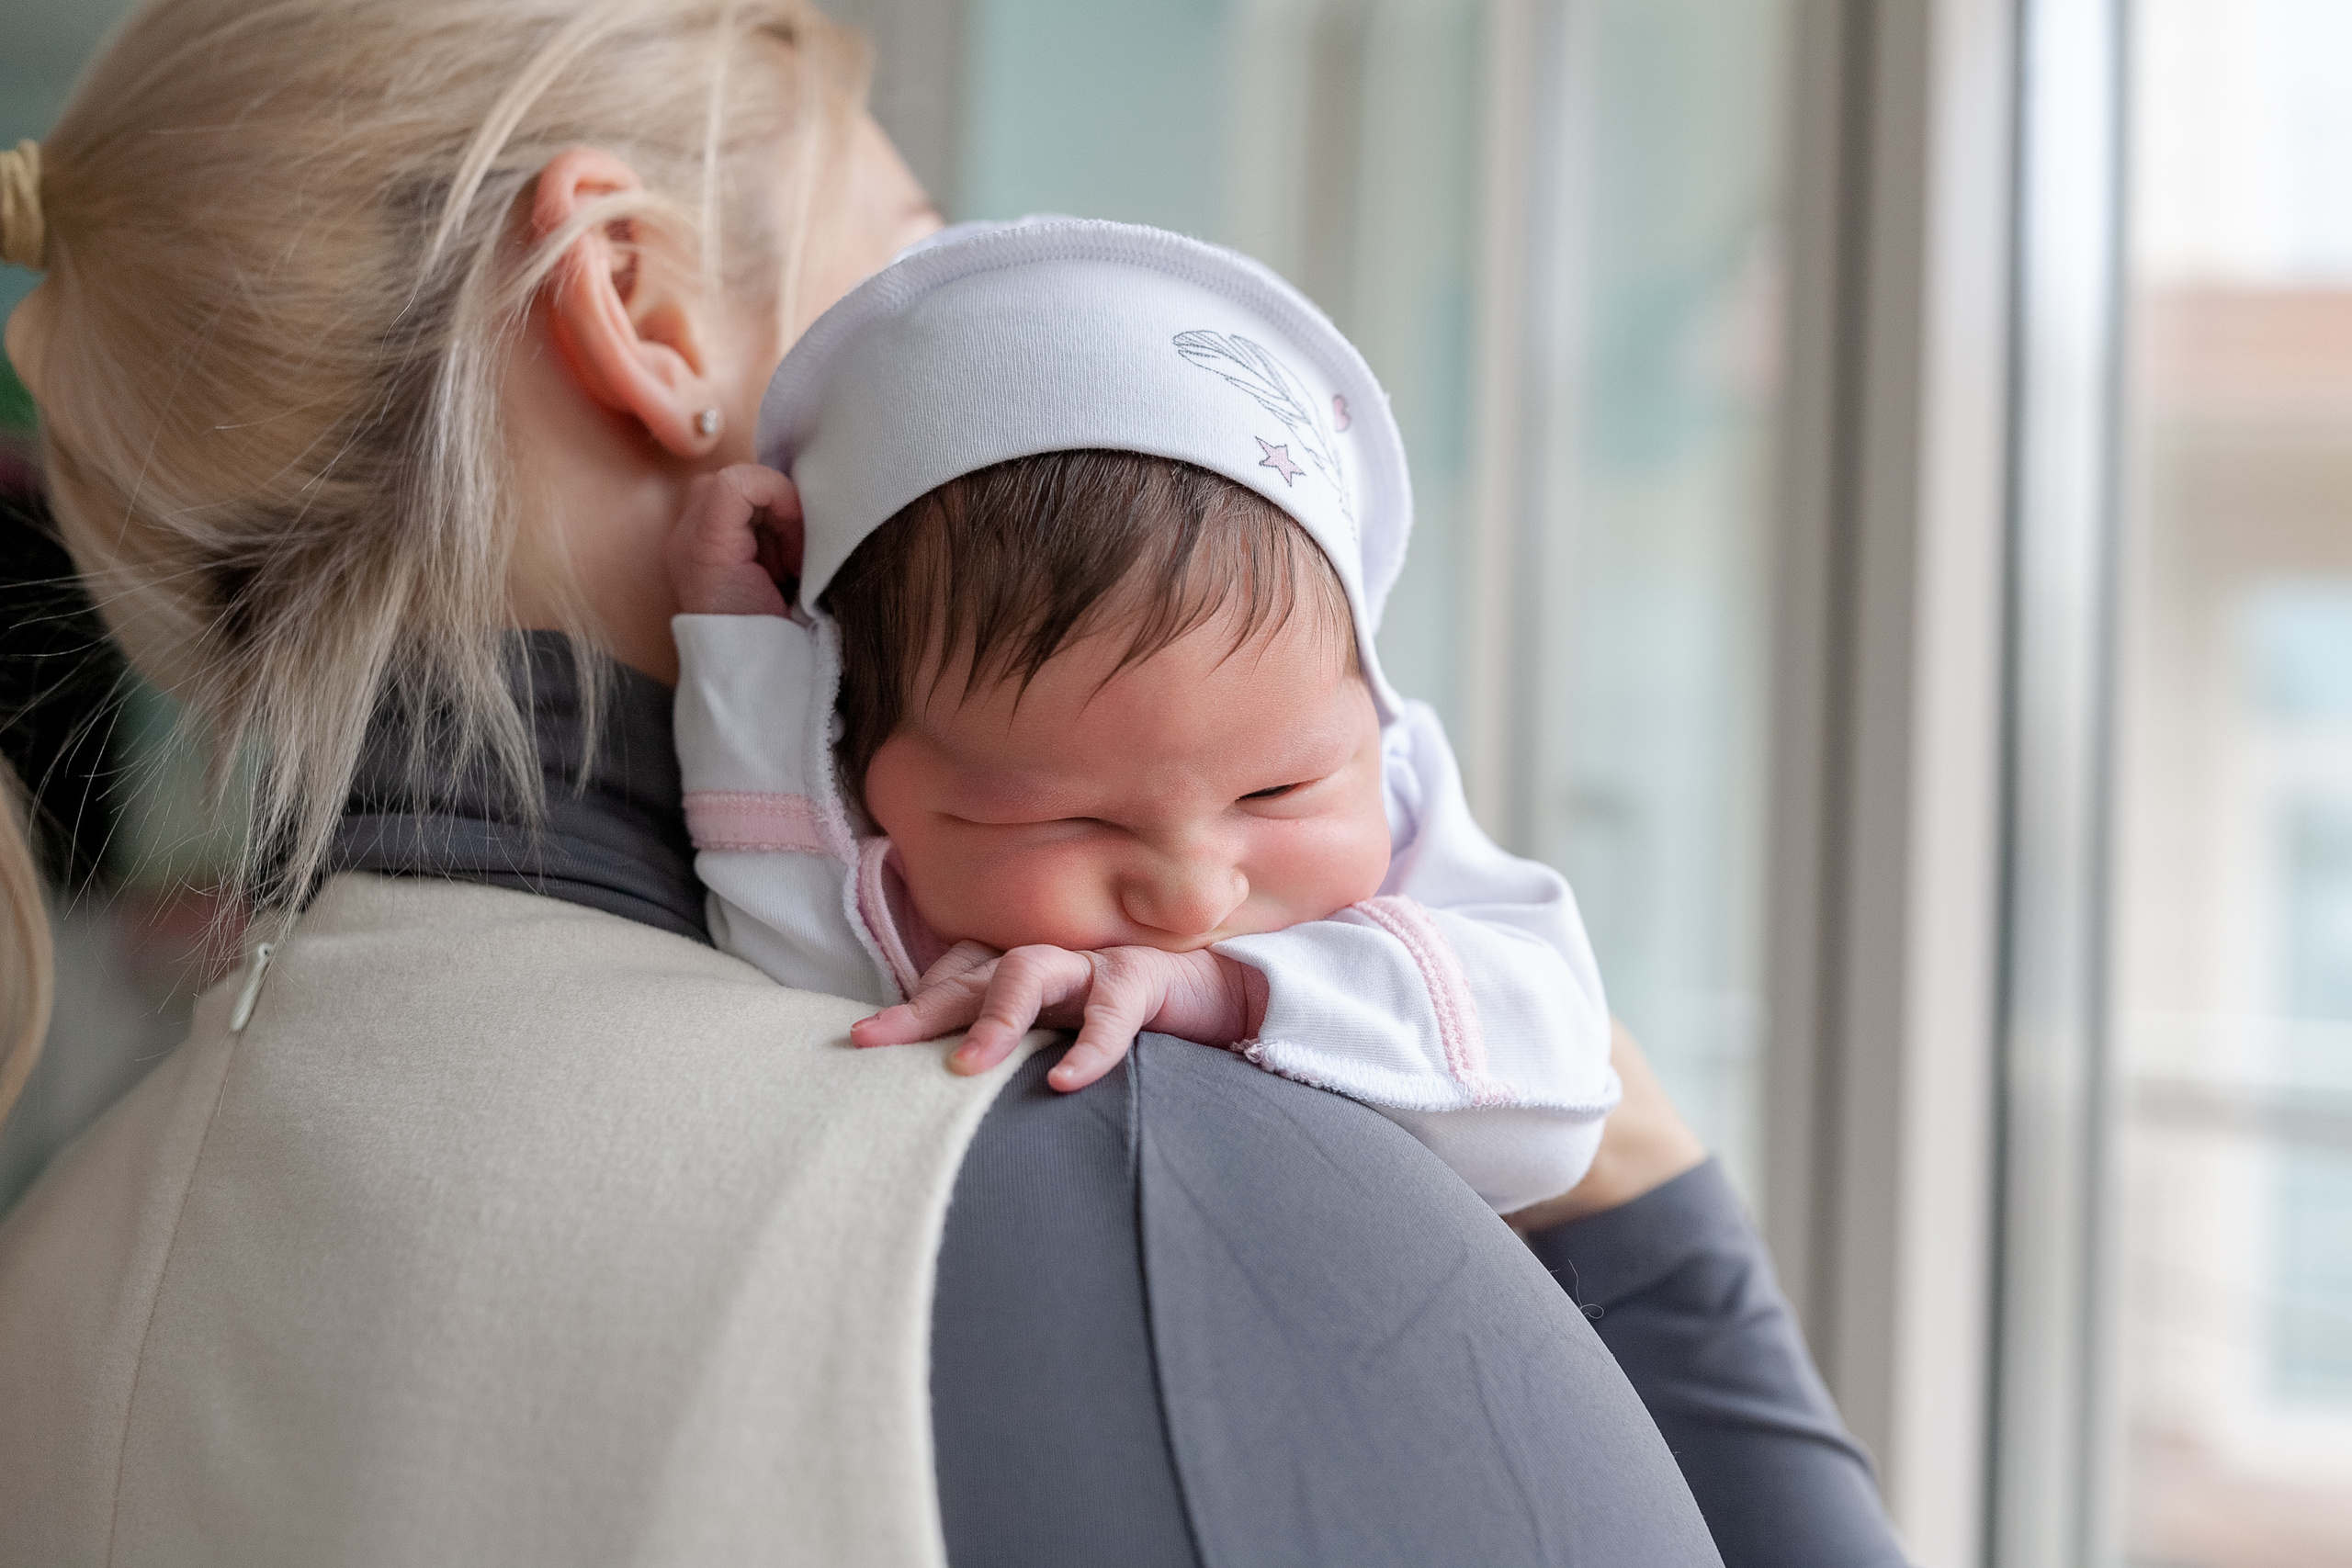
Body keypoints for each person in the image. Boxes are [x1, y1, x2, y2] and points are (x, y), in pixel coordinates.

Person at [0, 2, 1908, 1563]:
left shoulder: (58, 1267)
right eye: (918, 273)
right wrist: (1662, 1254)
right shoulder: (1138, 1161)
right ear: (635, 302)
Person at [665, 218, 1618, 1213]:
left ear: (1369, 721)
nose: (1192, 899)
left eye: (1278, 789)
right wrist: (747, 659)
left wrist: (1231, 992)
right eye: (1067, 817)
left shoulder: (1406, 807)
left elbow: (1551, 1117)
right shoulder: (889, 898)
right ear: (854, 775)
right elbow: (794, 969)